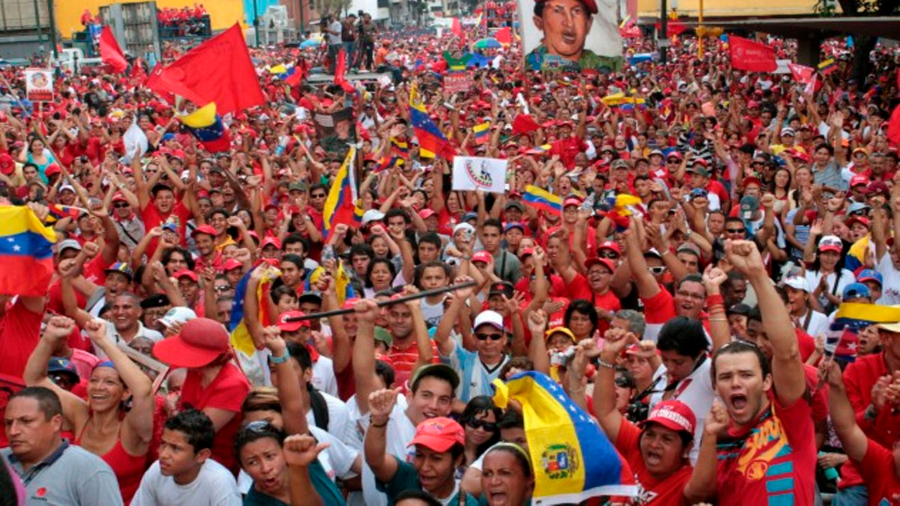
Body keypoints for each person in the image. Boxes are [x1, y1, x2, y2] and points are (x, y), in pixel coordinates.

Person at [707, 240, 816, 504]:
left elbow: (787, 352)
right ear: (715, 387)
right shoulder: (718, 441)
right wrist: (713, 292)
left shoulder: (790, 420)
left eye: (746, 375)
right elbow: (724, 355)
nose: (735, 383)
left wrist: (757, 274)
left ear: (767, 380)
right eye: (725, 378)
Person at [22, 316, 154, 503]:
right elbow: (34, 379)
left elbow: (143, 389)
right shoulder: (81, 415)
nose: (99, 387)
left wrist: (102, 341)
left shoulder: (132, 430)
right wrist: (50, 337)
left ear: (125, 393)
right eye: (94, 380)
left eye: (109, 382)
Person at [152, 317, 251, 475]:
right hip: (185, 459)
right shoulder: (195, 372)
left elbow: (193, 433)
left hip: (215, 468)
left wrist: (172, 412)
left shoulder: (233, 385)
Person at [2, 386, 123, 505]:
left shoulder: (89, 471)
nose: (13, 431)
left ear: (56, 423)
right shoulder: (2, 460)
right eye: (8, 423)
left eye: (26, 421)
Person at [364, 387, 478, 505]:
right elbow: (375, 460)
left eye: (436, 458)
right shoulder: (407, 477)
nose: (425, 467)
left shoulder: (468, 503)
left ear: (458, 460)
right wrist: (378, 420)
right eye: (419, 455)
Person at [131, 410, 242, 506]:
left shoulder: (220, 483)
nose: (163, 454)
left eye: (176, 448)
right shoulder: (156, 470)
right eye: (163, 444)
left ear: (201, 455)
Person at [525, 0, 619, 72]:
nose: (570, 23)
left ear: (589, 24)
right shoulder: (528, 65)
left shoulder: (613, 66)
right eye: (557, 11)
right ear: (539, 22)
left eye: (577, 11)